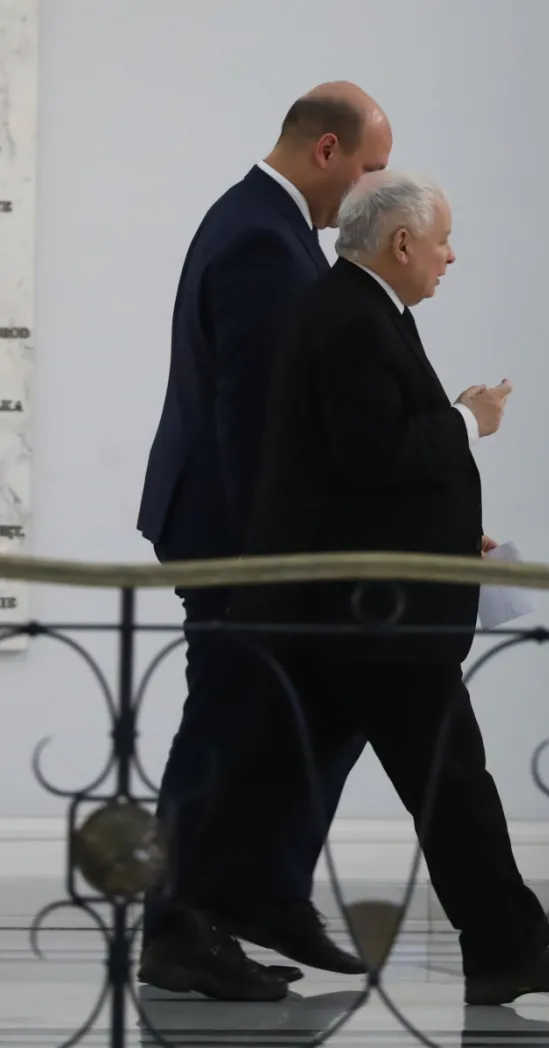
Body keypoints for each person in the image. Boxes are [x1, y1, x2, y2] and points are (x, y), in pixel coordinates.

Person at [231, 170, 549, 1006]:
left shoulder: (354, 311)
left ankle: (201, 916)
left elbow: (358, 473)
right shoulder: (352, 318)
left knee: (277, 771)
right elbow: (376, 455)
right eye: (442, 240)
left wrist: (449, 533)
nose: (450, 256)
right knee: (452, 784)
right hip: (377, 611)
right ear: (401, 243)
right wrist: (472, 418)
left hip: (356, 601)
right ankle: (508, 949)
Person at [136, 83, 393, 1001]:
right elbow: (252, 421)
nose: (374, 190)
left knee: (282, 709)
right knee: (225, 725)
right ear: (327, 151)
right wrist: (267, 564)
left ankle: (260, 897)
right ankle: (181, 927)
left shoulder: (262, 225)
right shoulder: (259, 238)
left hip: (234, 527)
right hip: (233, 533)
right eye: (370, 168)